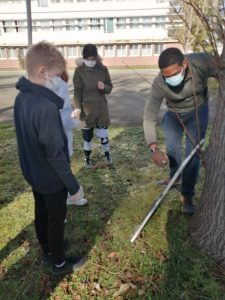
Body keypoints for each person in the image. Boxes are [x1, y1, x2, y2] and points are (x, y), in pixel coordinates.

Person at [14, 41, 87, 275]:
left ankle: (47, 248)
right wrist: (73, 186)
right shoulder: (45, 107)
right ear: (43, 72)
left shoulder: (21, 98)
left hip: (34, 173)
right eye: (56, 75)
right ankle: (58, 262)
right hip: (51, 177)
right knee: (56, 219)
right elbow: (56, 154)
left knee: (41, 211)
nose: (58, 81)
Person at [143, 47, 217, 215]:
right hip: (174, 114)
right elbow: (149, 116)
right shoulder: (159, 82)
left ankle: (187, 196)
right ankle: (175, 176)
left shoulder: (201, 62)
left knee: (192, 155)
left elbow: (220, 70)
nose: (170, 79)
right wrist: (153, 148)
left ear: (184, 64)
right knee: (171, 148)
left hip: (197, 110)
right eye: (166, 76)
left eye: (173, 74)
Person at [72, 43, 113, 168]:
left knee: (104, 134)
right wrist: (77, 108)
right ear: (84, 58)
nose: (91, 61)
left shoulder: (103, 69)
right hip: (86, 109)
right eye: (88, 59)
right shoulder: (79, 71)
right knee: (87, 136)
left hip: (101, 108)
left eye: (93, 59)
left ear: (96, 57)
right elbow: (77, 90)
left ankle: (107, 154)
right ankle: (87, 157)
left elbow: (109, 88)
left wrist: (104, 87)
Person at [56, 70, 88, 206]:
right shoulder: (59, 86)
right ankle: (59, 207)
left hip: (57, 139)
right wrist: (75, 118)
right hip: (57, 141)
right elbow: (64, 118)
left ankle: (70, 196)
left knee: (64, 170)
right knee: (60, 173)